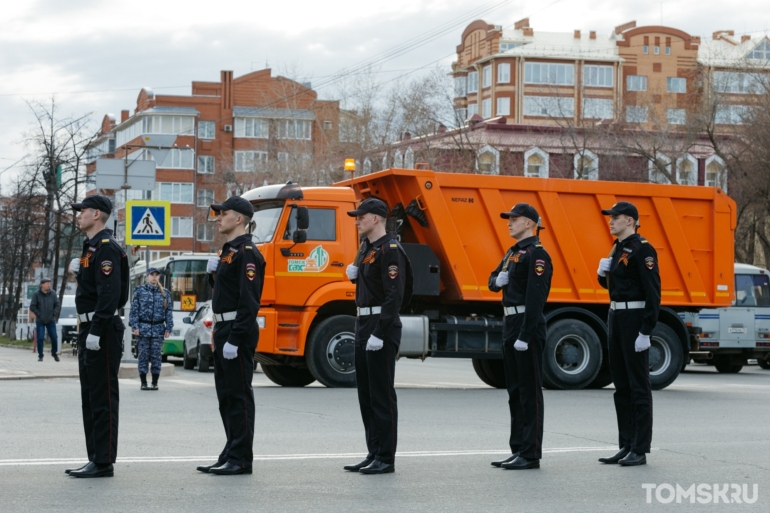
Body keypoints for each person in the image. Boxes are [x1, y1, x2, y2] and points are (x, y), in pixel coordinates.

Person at [196, 196, 264, 476]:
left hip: (238, 328)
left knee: (238, 396)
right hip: (224, 328)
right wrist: (213, 276)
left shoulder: (247, 252)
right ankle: (230, 450)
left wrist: (235, 339)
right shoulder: (229, 251)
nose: (217, 218)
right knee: (226, 396)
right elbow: (225, 292)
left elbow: (249, 300)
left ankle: (241, 458)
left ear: (239, 219)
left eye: (223, 214)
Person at [343, 198, 412, 475]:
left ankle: (386, 457)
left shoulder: (390, 249)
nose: (357, 220)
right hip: (363, 321)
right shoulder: (368, 249)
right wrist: (355, 277)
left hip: (379, 325)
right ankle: (373, 452)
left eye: (361, 216)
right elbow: (372, 285)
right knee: (367, 395)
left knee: (381, 395)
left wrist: (380, 332)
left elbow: (394, 295)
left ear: (376, 219)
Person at [65, 195, 129, 478]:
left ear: (98, 214)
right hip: (89, 327)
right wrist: (78, 275)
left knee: (102, 397)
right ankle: (95, 457)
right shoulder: (91, 247)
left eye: (83, 211)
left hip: (100, 330)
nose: (78, 215)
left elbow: (110, 295)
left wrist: (97, 330)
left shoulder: (105, 247)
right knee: (90, 397)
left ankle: (103, 461)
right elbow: (95, 290)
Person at [488, 203, 552, 470]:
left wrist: (525, 335)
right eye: (508, 219)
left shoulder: (537, 254)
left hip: (527, 323)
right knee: (514, 391)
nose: (509, 223)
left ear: (529, 223)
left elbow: (537, 298)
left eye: (514, 219)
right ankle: (518, 449)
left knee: (529, 391)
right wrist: (496, 282)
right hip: (510, 321)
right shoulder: (512, 253)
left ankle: (530, 453)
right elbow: (492, 279)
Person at [596, 201, 660, 467]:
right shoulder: (617, 248)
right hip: (616, 316)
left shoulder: (643, 249)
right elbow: (615, 284)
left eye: (616, 217)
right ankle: (626, 444)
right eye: (610, 217)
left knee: (638, 386)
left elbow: (653, 293)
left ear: (631, 221)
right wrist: (602, 275)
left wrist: (646, 331)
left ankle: (640, 448)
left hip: (634, 318)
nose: (611, 221)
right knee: (621, 385)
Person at [129, 267, 173, 390]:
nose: (154, 277)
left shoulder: (165, 293)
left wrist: (168, 328)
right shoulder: (139, 291)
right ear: (147, 277)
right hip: (143, 328)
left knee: (156, 356)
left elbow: (168, 312)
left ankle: (155, 382)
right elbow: (134, 311)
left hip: (158, 329)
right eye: (152, 275)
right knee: (143, 356)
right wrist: (135, 326)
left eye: (156, 275)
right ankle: (143, 382)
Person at [30, 277, 61, 362]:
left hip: (51, 320)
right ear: (42, 285)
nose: (49, 285)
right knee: (40, 338)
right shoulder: (36, 294)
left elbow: (57, 305)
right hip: (40, 321)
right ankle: (40, 355)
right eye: (47, 284)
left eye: (49, 283)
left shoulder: (53, 294)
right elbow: (32, 306)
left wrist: (54, 313)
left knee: (54, 337)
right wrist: (39, 314)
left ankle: (54, 353)